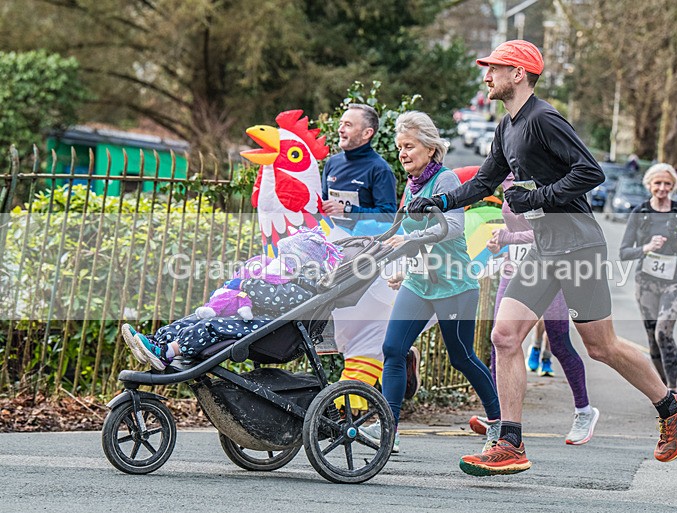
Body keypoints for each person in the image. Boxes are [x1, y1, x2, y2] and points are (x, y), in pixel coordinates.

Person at [408, 39, 677, 476]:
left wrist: (538, 197)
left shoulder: (543, 118)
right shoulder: (506, 128)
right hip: (543, 248)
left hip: (577, 244)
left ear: (519, 73)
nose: (486, 76)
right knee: (505, 337)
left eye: (494, 68)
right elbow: (486, 181)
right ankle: (510, 442)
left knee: (601, 347)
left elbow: (590, 172)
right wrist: (440, 201)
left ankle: (671, 406)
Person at [361, 110, 502, 453]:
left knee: (462, 357)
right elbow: (400, 232)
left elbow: (452, 227)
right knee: (393, 349)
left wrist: (410, 243)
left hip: (454, 285)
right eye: (399, 148)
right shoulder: (410, 187)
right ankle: (389, 430)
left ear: (429, 147)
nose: (403, 153)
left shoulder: (445, 181)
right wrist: (389, 258)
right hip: (419, 283)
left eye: (409, 146)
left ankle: (500, 423)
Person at [471, 173, 600, 446]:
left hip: (548, 268)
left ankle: (583, 411)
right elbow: (513, 231)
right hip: (513, 269)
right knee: (501, 339)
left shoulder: (542, 178)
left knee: (558, 342)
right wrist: (500, 244)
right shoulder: (505, 169)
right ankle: (498, 418)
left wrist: (510, 236)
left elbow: (549, 230)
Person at [122, 227, 342, 370]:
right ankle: (155, 342)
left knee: (209, 325)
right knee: (193, 319)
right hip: (252, 319)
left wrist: (248, 281)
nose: (283, 260)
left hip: (267, 329)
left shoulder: (302, 287)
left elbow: (273, 298)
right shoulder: (283, 276)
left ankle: (168, 352)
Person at [319, 104, 422, 405]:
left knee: (370, 333)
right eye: (341, 123)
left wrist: (349, 211)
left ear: (367, 133)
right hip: (339, 256)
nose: (341, 129)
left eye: (349, 125)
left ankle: (366, 397)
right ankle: (366, 391)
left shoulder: (379, 170)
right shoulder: (332, 164)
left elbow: (387, 217)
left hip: (368, 261)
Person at [620, 164, 677, 393]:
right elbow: (624, 252)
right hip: (646, 282)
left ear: (674, 186)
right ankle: (663, 389)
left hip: (675, 281)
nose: (662, 188)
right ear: (649, 185)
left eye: (667, 184)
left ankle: (674, 390)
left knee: (663, 332)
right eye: (658, 183)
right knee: (652, 338)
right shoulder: (639, 213)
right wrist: (646, 247)